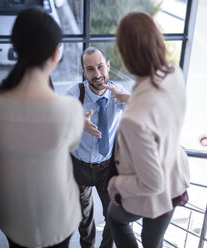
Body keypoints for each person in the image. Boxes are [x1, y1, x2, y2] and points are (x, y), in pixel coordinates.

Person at [0, 7, 83, 248]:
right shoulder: (70, 110)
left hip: (13, 218)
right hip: (59, 218)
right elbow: (72, 144)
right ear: (55, 54)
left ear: (16, 47)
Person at [106, 11, 190, 248]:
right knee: (153, 242)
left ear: (124, 55)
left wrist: (115, 184)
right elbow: (157, 105)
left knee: (115, 217)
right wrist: (131, 98)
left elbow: (152, 183)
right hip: (175, 176)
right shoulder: (174, 73)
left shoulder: (134, 120)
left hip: (155, 188)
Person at [65, 47, 129, 248]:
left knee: (112, 216)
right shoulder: (75, 93)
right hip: (79, 165)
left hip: (107, 167)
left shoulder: (118, 94)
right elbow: (57, 120)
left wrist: (127, 99)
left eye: (101, 67)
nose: (98, 74)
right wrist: (78, 122)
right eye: (91, 69)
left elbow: (148, 112)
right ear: (84, 71)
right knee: (83, 217)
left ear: (108, 66)